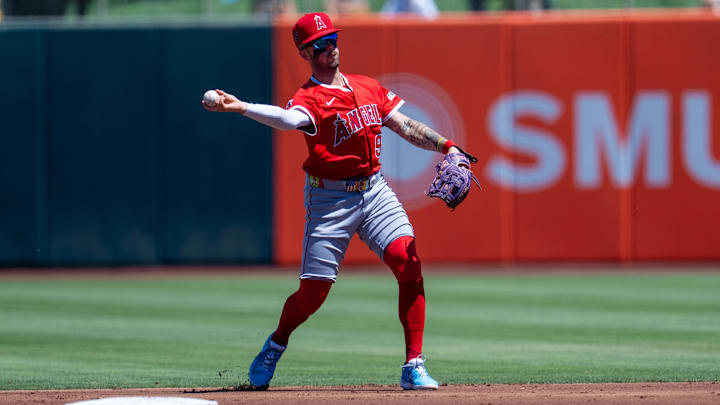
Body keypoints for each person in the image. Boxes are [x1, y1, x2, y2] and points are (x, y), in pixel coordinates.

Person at [203, 12, 470, 390]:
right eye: (320, 44)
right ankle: (276, 343)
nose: (330, 48)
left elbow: (406, 126)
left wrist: (447, 146)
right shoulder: (308, 98)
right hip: (329, 199)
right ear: (304, 52)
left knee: (406, 260)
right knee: (314, 293)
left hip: (374, 190)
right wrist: (243, 107)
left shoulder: (368, 87)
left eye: (332, 40)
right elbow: (285, 119)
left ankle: (413, 365)